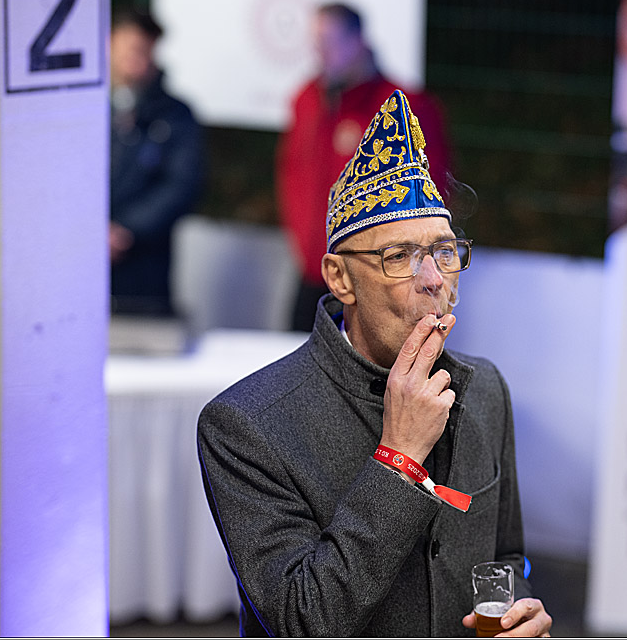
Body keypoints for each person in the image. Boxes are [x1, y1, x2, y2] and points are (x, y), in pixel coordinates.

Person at [199, 90, 551, 637]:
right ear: (340, 278)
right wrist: (399, 459)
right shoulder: (248, 424)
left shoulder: (483, 389)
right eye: (399, 257)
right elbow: (301, 621)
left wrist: (519, 608)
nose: (434, 279)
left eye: (444, 250)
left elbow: (505, 558)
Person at [275, 2, 451, 331]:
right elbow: (291, 172)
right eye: (316, 44)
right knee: (297, 366)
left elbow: (429, 195)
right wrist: (303, 241)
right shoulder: (308, 99)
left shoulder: (403, 107)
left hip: (376, 280)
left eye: (329, 42)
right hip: (315, 270)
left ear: (357, 42)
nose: (320, 53)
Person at [109, 7, 205, 315]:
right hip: (79, 259)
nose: (136, 60)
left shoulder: (175, 115)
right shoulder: (82, 109)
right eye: (129, 49)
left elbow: (182, 184)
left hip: (144, 266)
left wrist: (124, 230)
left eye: (144, 50)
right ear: (110, 44)